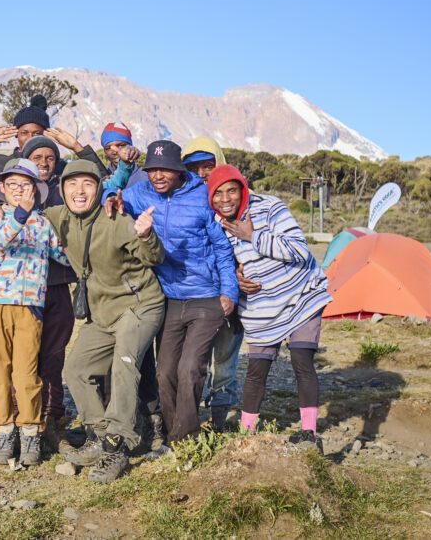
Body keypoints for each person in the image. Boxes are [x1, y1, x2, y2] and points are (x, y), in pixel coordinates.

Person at [106, 141, 238, 444]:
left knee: (190, 368)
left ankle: (183, 439)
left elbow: (222, 248)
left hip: (205, 296)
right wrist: (110, 197)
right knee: (164, 372)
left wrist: (228, 292)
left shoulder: (202, 196)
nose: (158, 176)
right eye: (152, 170)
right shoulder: (139, 194)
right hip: (167, 297)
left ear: (179, 170)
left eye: (165, 169)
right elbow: (108, 192)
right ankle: (170, 431)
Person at [46, 160, 165, 483]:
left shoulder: (116, 219)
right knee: (77, 369)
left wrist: (146, 235)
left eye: (88, 183)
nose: (79, 190)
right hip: (101, 312)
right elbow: (25, 206)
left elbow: (154, 258)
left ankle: (117, 445)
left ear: (99, 188)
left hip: (139, 305)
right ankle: (100, 434)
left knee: (124, 366)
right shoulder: (58, 217)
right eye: (72, 184)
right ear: (62, 189)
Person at [207, 165, 332, 450]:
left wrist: (253, 236)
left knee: (301, 360)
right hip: (260, 306)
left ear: (242, 189)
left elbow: (299, 250)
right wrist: (236, 279)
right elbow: (221, 264)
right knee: (257, 369)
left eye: (231, 191)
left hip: (300, 295)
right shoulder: (215, 224)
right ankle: (245, 435)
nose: (225, 199)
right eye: (217, 193)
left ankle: (309, 434)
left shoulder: (270, 207)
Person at [0, 158, 68, 466]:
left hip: (31, 306)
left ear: (36, 189)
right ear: (2, 188)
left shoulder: (43, 224)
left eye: (25, 184)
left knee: (26, 372)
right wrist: (20, 214)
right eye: (13, 184)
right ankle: (3, 430)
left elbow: (65, 255)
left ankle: (30, 431)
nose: (19, 190)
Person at [182, 135, 241, 432]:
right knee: (195, 358)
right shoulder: (183, 202)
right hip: (198, 293)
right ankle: (189, 416)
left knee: (225, 355)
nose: (202, 174)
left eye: (208, 166)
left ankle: (219, 417)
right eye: (194, 168)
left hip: (232, 292)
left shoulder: (236, 199)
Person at [100, 121, 147, 188]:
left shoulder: (145, 178)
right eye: (108, 148)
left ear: (130, 147)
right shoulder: (101, 178)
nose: (114, 152)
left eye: (120, 145)